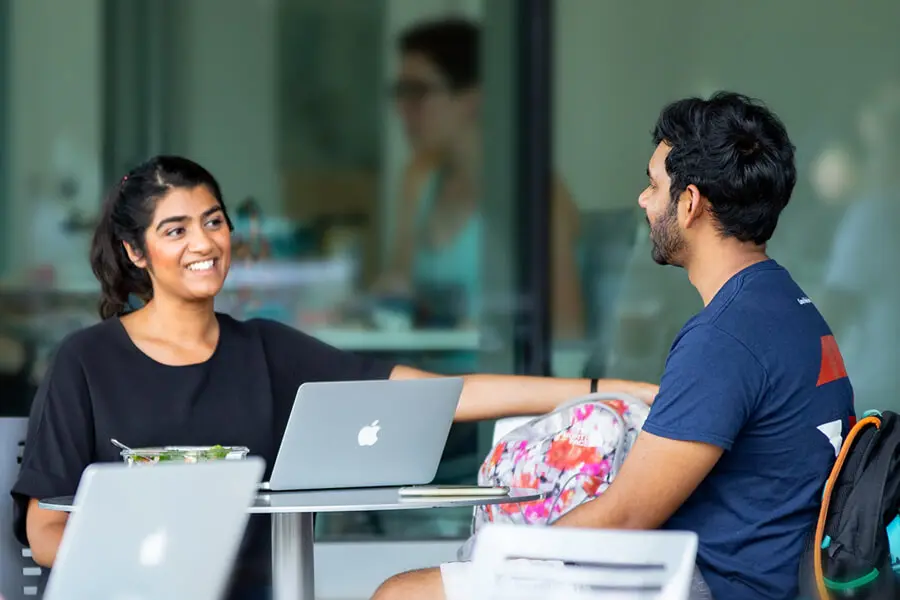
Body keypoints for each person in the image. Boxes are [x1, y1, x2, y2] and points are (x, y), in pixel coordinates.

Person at [9, 156, 656, 600]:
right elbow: (45, 530)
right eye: (174, 230)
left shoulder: (266, 350)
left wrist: (600, 391)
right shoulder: (85, 363)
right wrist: (161, 568)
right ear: (135, 251)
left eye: (213, 221)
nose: (203, 243)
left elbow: (435, 394)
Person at [371, 92, 855, 600]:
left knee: (401, 594)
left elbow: (624, 518)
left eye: (654, 184)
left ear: (689, 204)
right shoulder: (785, 304)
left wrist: (506, 554)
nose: (644, 200)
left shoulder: (724, 338)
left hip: (708, 584)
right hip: (750, 571)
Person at [384, 18, 584, 338]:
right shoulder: (419, 181)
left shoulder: (533, 194)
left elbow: (566, 332)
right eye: (399, 93)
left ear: (472, 97)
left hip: (499, 381)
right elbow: (399, 297)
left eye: (418, 92)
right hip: (431, 379)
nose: (402, 110)